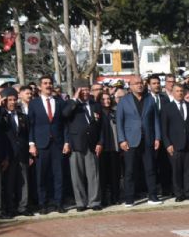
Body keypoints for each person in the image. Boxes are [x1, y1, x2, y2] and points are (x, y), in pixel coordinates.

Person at [116, 75, 162, 206]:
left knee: (150, 169)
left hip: (148, 139)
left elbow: (156, 120)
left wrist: (157, 137)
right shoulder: (124, 101)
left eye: (141, 83)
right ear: (130, 86)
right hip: (130, 141)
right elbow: (119, 122)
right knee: (130, 171)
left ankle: (153, 196)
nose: (139, 85)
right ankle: (129, 198)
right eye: (136, 83)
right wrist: (122, 140)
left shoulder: (150, 99)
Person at [63, 79, 104, 212]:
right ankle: (80, 202)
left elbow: (101, 126)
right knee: (77, 175)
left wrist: (100, 142)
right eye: (82, 90)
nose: (85, 92)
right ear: (77, 91)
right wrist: (75, 99)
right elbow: (65, 114)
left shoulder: (95, 105)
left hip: (92, 143)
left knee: (93, 174)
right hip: (76, 144)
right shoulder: (71, 103)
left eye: (87, 89)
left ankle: (94, 201)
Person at [28, 75, 67, 214]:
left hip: (57, 143)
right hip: (41, 144)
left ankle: (59, 203)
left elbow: (64, 124)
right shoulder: (34, 103)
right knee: (41, 176)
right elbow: (30, 125)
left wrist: (66, 141)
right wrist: (31, 143)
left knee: (59, 175)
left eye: (50, 83)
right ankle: (42, 204)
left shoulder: (59, 102)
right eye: (45, 83)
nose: (48, 85)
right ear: (40, 86)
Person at [162, 83, 189, 201]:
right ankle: (179, 194)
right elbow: (164, 129)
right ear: (173, 93)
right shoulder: (167, 108)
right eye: (177, 91)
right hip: (175, 145)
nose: (180, 93)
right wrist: (167, 144)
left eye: (181, 91)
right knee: (176, 171)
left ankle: (188, 192)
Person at [1, 88, 32, 217]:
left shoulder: (22, 116)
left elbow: (27, 135)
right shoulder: (2, 117)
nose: (13, 102)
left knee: (23, 181)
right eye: (10, 100)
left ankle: (23, 207)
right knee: (10, 182)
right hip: (9, 154)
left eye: (14, 99)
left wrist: (29, 153)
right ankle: (10, 208)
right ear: (5, 101)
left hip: (22, 153)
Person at [98, 93, 121, 206]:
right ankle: (103, 199)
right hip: (102, 148)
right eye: (103, 99)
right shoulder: (97, 113)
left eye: (108, 99)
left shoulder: (114, 113)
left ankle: (115, 197)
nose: (106, 101)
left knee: (115, 175)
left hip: (114, 147)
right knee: (103, 176)